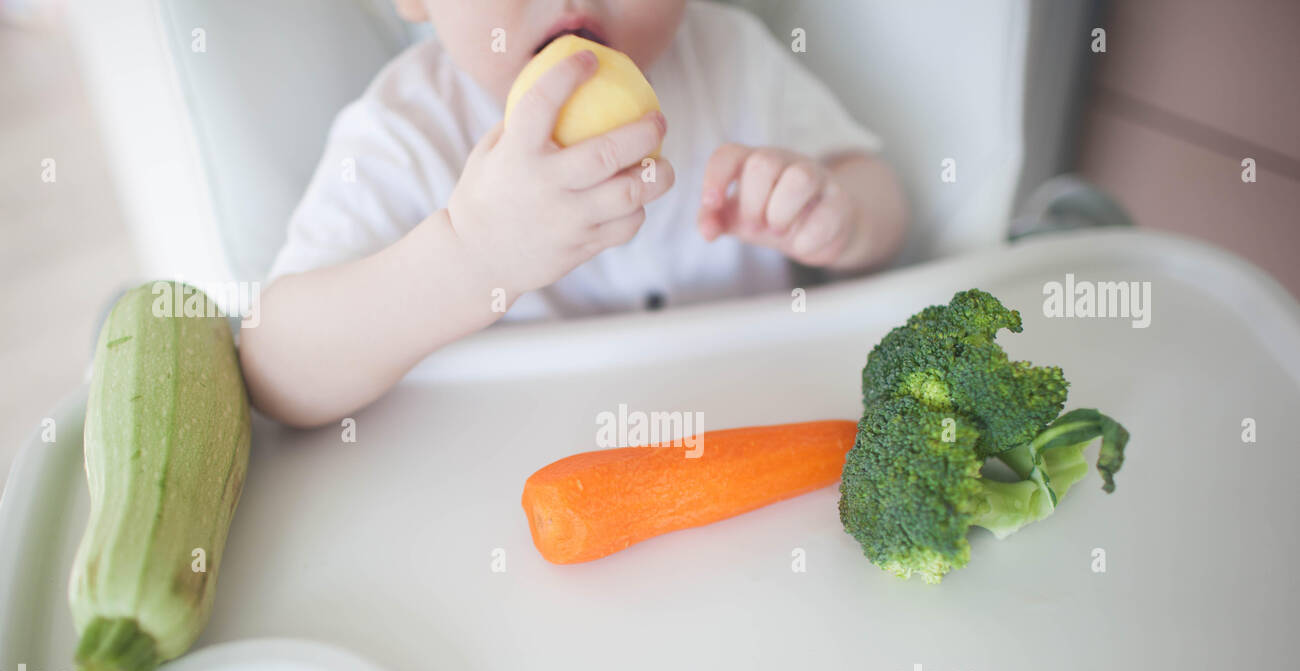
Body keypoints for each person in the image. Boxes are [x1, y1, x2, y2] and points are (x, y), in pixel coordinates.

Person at [240, 0, 908, 426]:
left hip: (753, 430)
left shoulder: (730, 58)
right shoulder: (406, 132)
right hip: (519, 483)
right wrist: (471, 257)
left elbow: (881, 197)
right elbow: (278, 366)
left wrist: (834, 217)